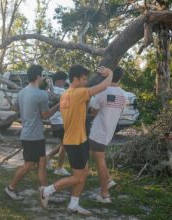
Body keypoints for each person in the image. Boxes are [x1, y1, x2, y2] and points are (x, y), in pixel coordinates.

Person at [39, 64, 113, 216]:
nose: (86, 82)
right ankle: (46, 191)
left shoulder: (66, 93)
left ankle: (74, 204)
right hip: (75, 142)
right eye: (84, 79)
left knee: (84, 172)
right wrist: (110, 73)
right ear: (75, 79)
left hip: (78, 139)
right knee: (78, 176)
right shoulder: (78, 93)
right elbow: (104, 86)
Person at [4, 64, 59, 201]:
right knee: (29, 165)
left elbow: (15, 107)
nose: (43, 77)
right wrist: (59, 106)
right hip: (33, 136)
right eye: (42, 75)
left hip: (31, 134)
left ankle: (45, 193)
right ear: (38, 76)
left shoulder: (22, 92)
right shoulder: (41, 94)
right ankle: (10, 188)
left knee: (41, 163)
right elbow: (45, 115)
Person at [88, 67, 128, 203]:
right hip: (109, 132)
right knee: (97, 157)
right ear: (121, 78)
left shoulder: (102, 91)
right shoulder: (124, 95)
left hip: (98, 131)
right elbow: (119, 112)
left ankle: (104, 194)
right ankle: (108, 181)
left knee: (100, 162)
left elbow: (93, 112)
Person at [45, 71, 70, 176]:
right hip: (60, 122)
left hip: (56, 122)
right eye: (64, 80)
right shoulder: (61, 91)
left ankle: (47, 158)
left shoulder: (50, 90)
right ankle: (59, 167)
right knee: (65, 145)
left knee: (64, 144)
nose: (65, 82)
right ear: (60, 81)